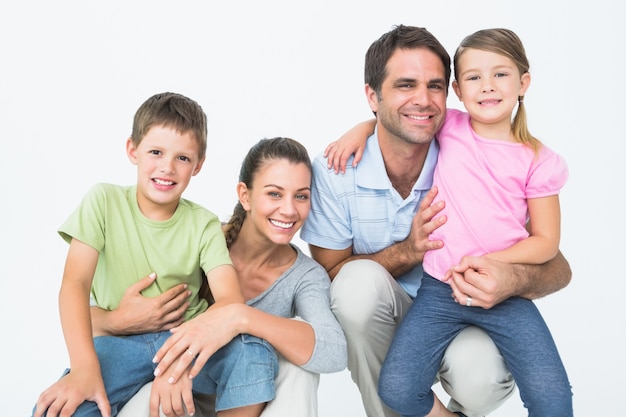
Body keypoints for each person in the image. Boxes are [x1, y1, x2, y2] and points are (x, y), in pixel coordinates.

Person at [299, 25, 572, 417]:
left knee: (550, 394)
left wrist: (502, 271)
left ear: (523, 82)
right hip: (437, 291)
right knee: (394, 381)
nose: (488, 87)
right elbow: (399, 119)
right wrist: (360, 129)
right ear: (462, 90)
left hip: (498, 292)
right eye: (475, 77)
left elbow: (550, 248)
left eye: (501, 75)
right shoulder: (454, 129)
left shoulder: (534, 159)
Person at [33, 92, 278, 417]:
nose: (167, 167)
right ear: (133, 150)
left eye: (183, 158)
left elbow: (230, 301)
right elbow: (74, 284)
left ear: (198, 165)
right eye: (156, 152)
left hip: (187, 339)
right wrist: (82, 367)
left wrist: (176, 360)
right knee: (54, 410)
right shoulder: (102, 201)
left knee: (255, 352)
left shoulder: (203, 223)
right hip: (120, 344)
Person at [99, 137, 348, 417]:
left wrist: (240, 317)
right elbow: (93, 321)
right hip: (177, 395)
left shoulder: (305, 276)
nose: (289, 209)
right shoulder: (202, 238)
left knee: (299, 368)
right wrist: (121, 323)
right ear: (245, 195)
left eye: (301, 196)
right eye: (275, 194)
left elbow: (334, 352)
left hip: (248, 403)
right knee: (149, 393)